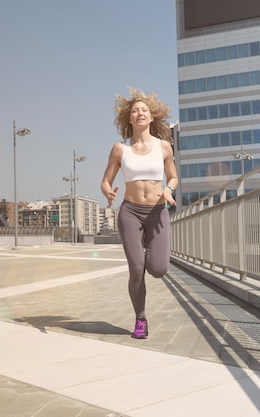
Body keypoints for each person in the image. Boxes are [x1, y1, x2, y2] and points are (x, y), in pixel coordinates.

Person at [101, 88, 178, 339]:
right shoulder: (120, 148)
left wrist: (168, 189)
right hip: (130, 212)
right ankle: (140, 318)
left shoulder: (163, 146)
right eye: (135, 111)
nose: (140, 113)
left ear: (151, 117)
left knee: (158, 269)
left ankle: (148, 255)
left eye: (144, 110)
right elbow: (105, 180)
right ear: (129, 119)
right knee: (136, 269)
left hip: (157, 212)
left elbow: (174, 177)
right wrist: (108, 192)